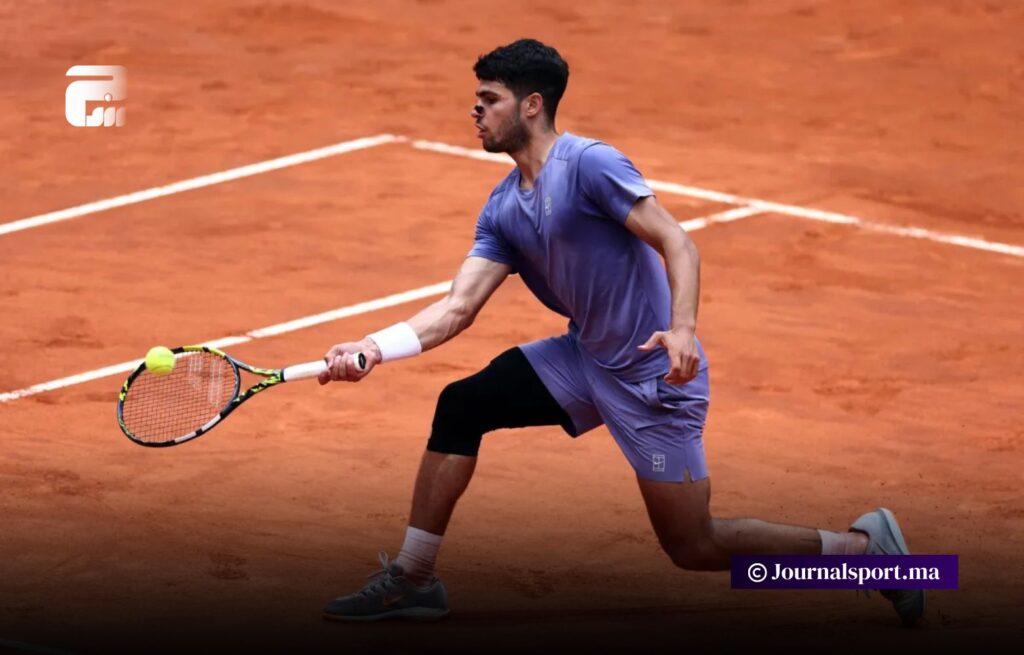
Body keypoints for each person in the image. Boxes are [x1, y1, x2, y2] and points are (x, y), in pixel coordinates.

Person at [316, 38, 925, 627]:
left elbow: (677, 242)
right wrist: (373, 346)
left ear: (532, 105)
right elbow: (457, 307)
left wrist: (682, 329)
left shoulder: (588, 164)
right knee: (463, 405)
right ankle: (415, 577)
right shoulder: (503, 207)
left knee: (695, 546)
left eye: (490, 98)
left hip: (650, 372)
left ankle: (862, 555)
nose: (475, 109)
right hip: (584, 360)